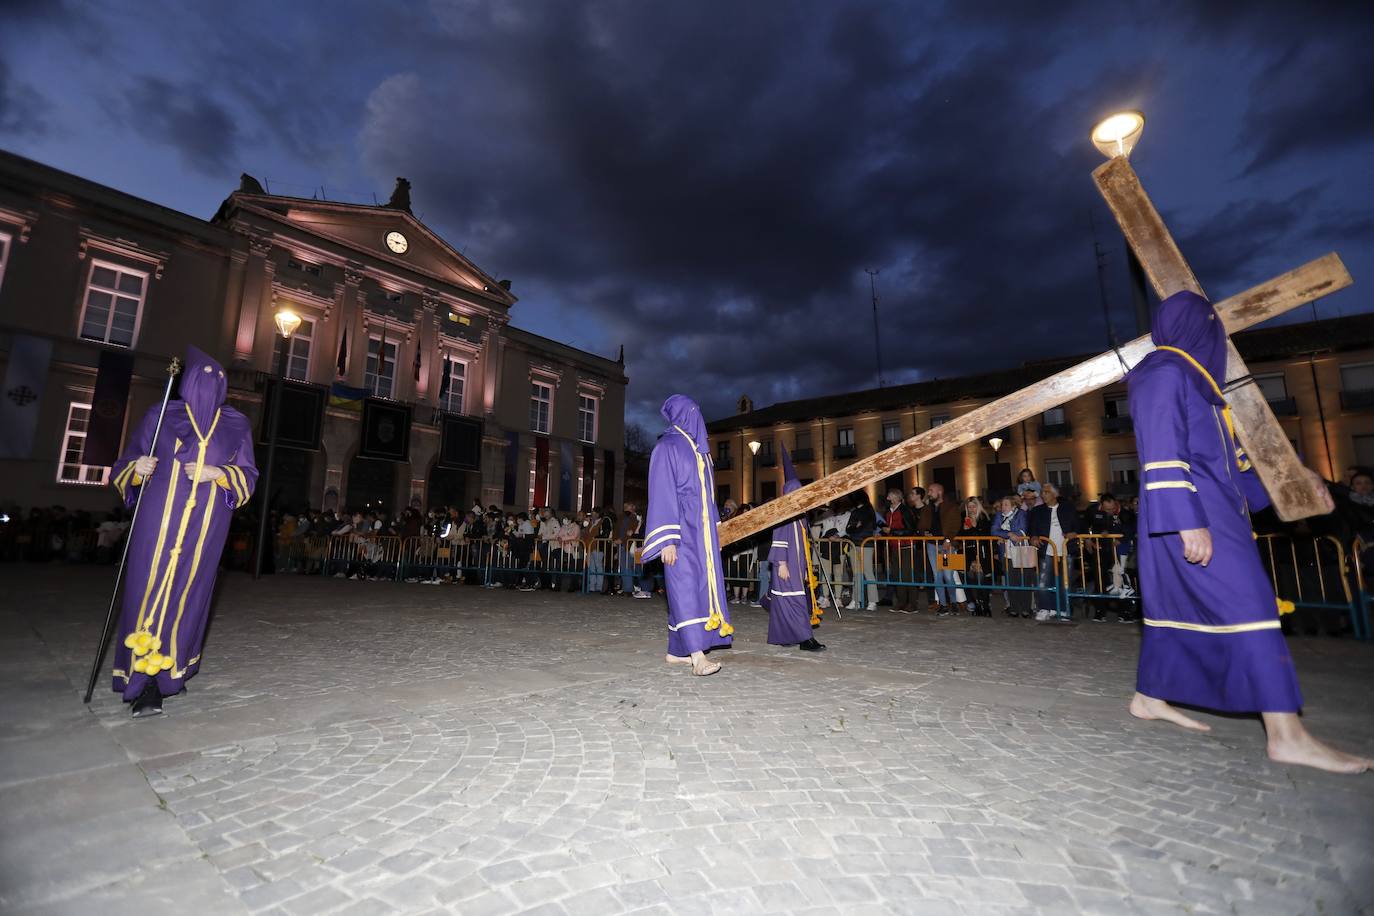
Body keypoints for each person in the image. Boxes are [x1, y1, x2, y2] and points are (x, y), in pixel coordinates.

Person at [1127, 290, 1370, 773]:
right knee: (1253, 608)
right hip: (1191, 514)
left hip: (1215, 513)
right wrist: (1186, 520)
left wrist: (1299, 487)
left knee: (1176, 607)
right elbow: (1160, 450)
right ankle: (1287, 735)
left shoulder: (1203, 391)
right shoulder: (1162, 371)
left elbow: (1234, 473)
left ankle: (1149, 697)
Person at [108, 346, 257, 718]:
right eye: (202, 380)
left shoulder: (236, 424)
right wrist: (138, 469)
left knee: (190, 594)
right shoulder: (160, 415)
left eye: (217, 381)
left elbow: (248, 475)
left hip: (206, 528)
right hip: (158, 522)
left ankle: (172, 671)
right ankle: (142, 680)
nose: (210, 386)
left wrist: (218, 473)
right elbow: (126, 463)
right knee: (147, 591)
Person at [642, 395, 733, 675]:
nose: (697, 416)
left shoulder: (700, 451)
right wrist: (667, 539)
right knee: (684, 588)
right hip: (680, 532)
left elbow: (709, 496)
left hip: (702, 534)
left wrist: (716, 528)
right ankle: (698, 658)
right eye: (692, 411)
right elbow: (661, 493)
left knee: (701, 588)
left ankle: (676, 651)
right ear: (682, 415)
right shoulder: (666, 447)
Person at [761, 447, 825, 651]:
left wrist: (805, 566)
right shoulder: (785, 514)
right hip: (786, 565)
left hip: (796, 565)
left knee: (783, 602)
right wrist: (781, 563)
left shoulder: (800, 516)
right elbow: (779, 538)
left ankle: (783, 636)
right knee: (795, 601)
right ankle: (806, 639)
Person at [1028, 482, 1078, 621]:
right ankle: (1045, 608)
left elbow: (1079, 525)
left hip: (1066, 550)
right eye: (1043, 492)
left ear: (1055, 494)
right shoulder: (1037, 511)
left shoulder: (1068, 508)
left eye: (1046, 492)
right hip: (1046, 550)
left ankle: (1063, 609)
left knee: (1065, 582)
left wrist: (1075, 532)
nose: (1043, 494)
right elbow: (1032, 529)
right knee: (1044, 581)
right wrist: (1033, 537)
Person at [844, 491, 880, 610]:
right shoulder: (865, 511)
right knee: (859, 573)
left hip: (863, 544)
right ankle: (859, 600)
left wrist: (854, 528)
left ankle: (869, 601)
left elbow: (853, 529)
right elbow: (848, 529)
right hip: (858, 544)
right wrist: (855, 527)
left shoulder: (866, 511)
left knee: (866, 573)